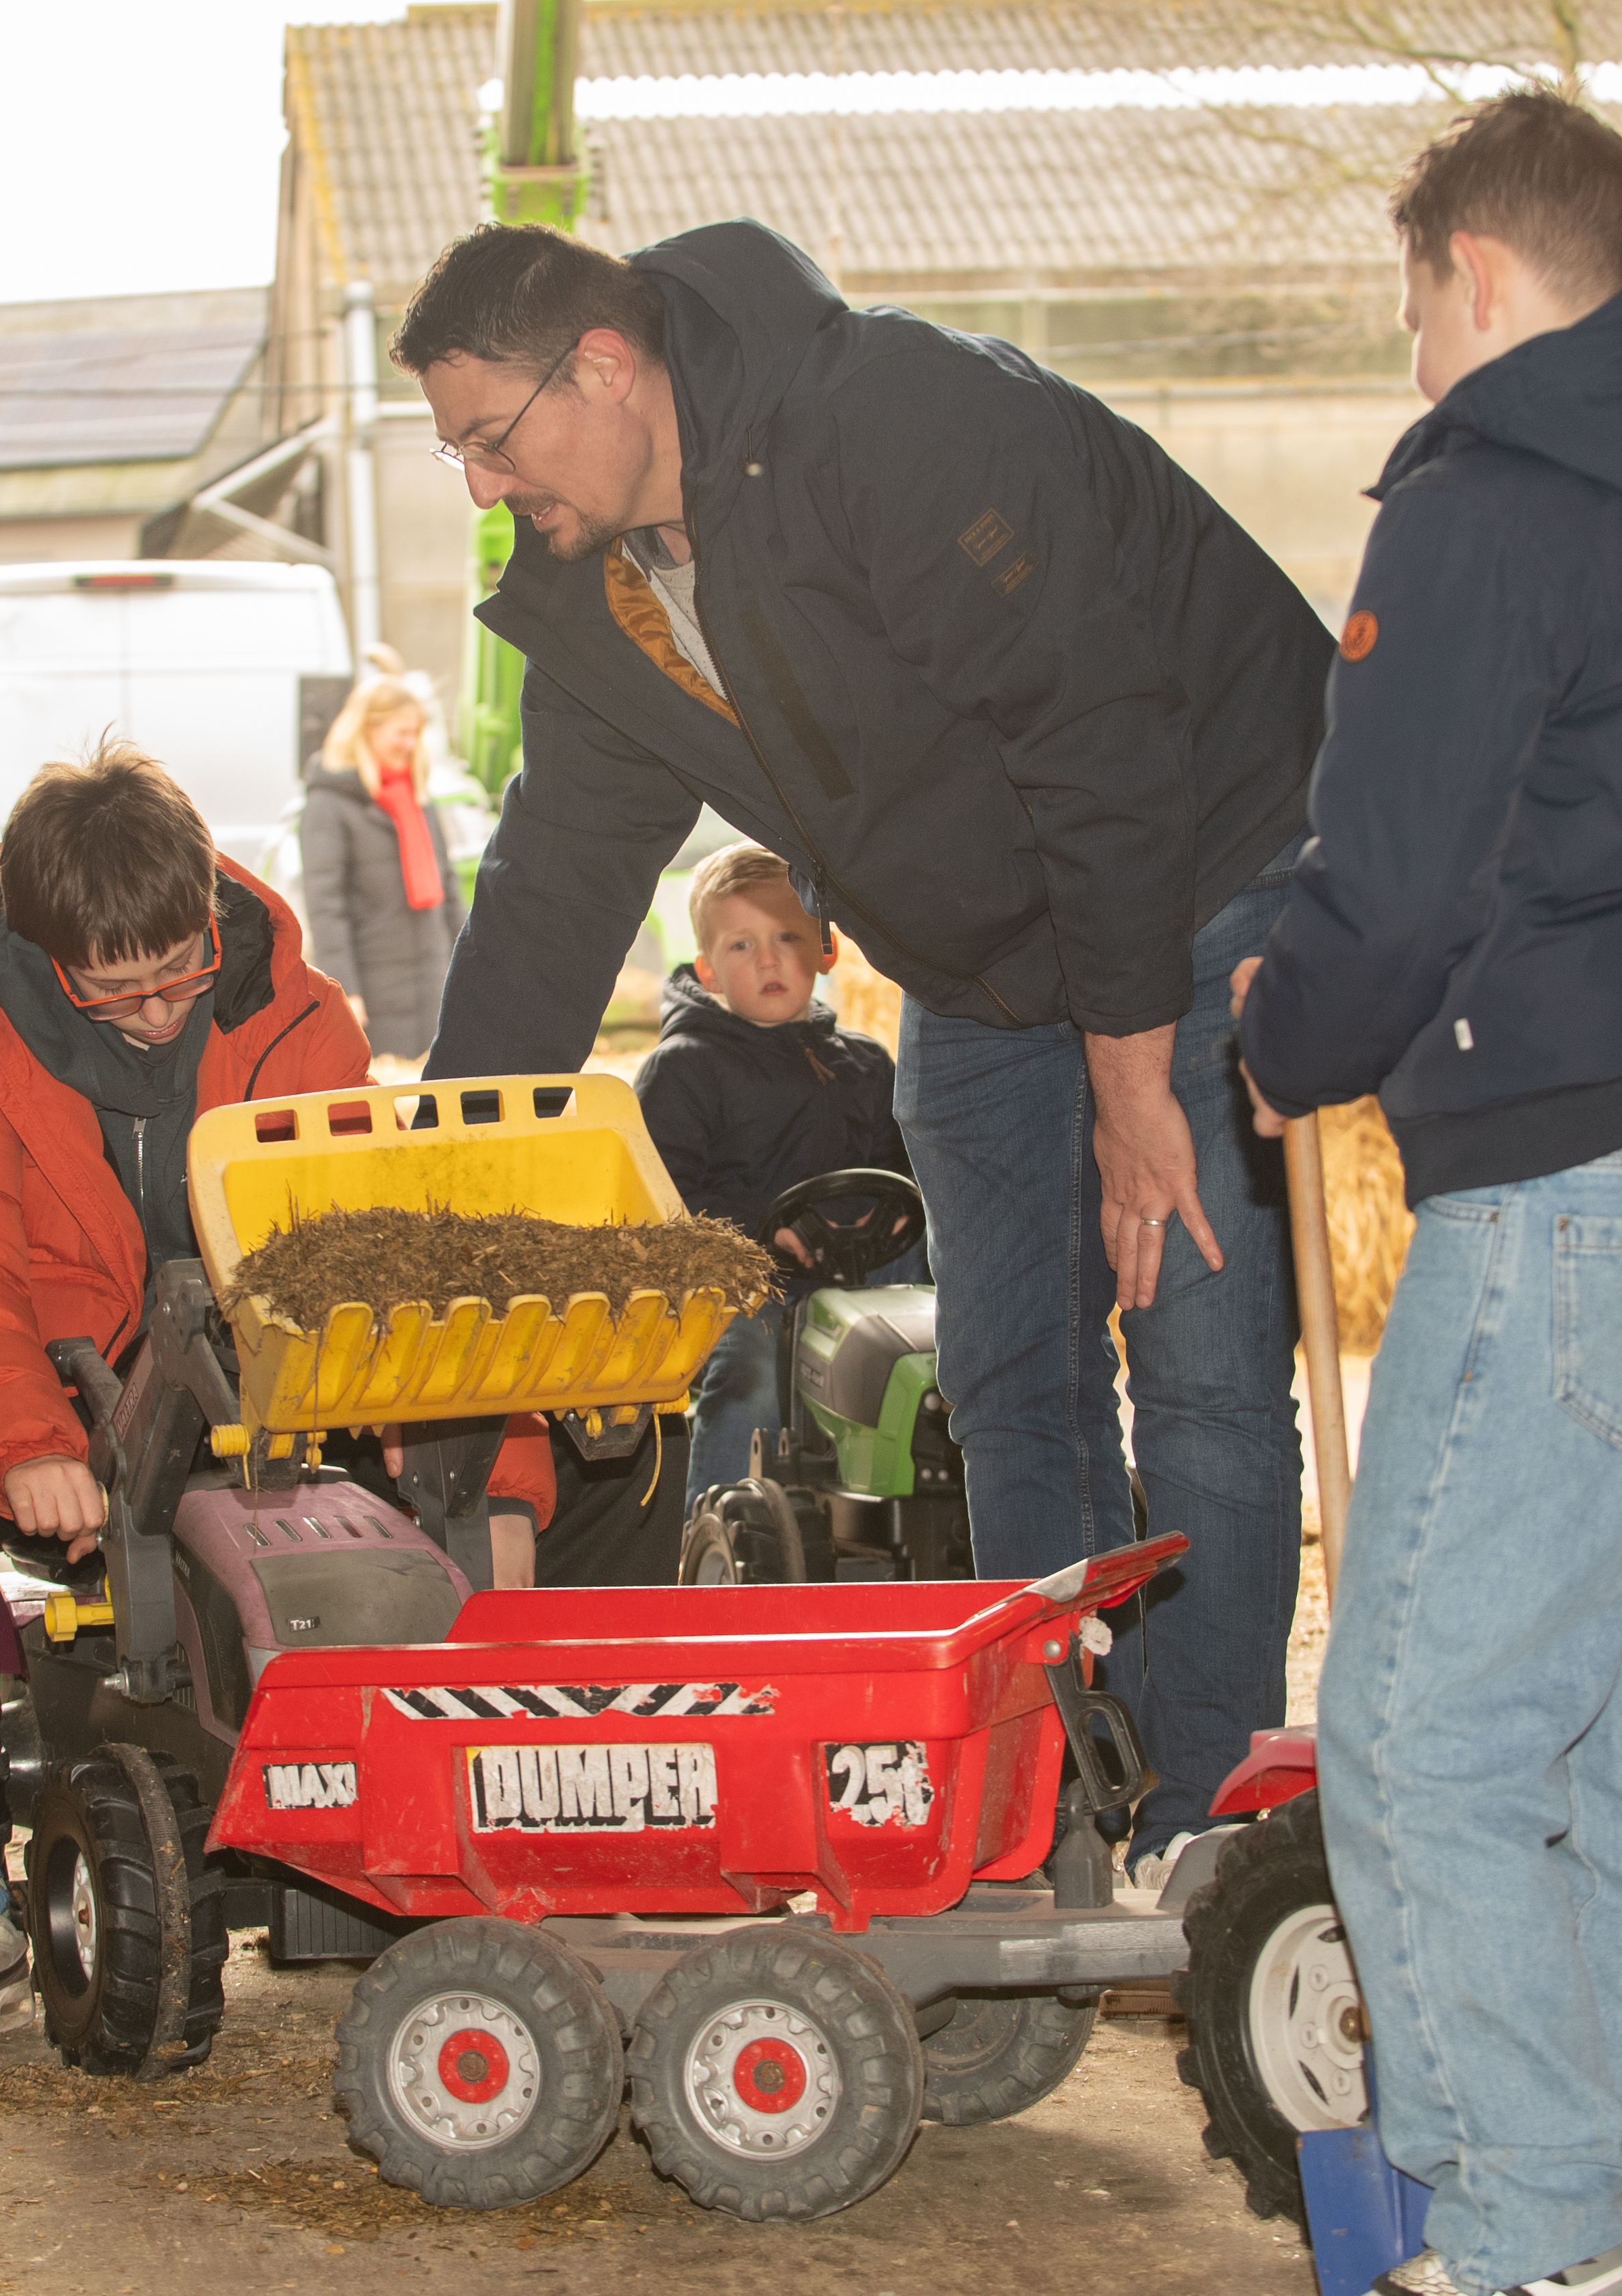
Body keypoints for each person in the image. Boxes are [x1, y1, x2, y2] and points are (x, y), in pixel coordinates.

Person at [393, 217, 1331, 1871]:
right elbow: (551, 899)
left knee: (1195, 1359)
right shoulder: (606, 591)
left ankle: (1198, 1824)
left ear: (601, 368)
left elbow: (1096, 731)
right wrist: (439, 1215)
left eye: (490, 437)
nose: (481, 487)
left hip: (1193, 862)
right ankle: (1050, 1797)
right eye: (456, 451)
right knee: (1006, 1372)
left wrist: (1131, 1073)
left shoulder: (894, 417)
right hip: (974, 946)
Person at [1231, 94, 1622, 2296]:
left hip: (1566, 1172)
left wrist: (1277, 1036)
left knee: (1420, 1730)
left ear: (1472, 282)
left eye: (1411, 313)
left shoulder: (1483, 501)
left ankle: (1520, 2245)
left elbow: (1393, 881)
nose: (1410, 365)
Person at [0, 739, 544, 2050]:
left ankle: (452, 1810)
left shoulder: (293, 1014)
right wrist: (25, 1437)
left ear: (209, 916)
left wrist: (503, 1486)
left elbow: (371, 1238)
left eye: (178, 978)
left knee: (534, 1454)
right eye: (119, 994)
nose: (157, 1015)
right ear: (45, 956)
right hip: (37, 1367)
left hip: (250, 1372)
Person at [635, 842, 910, 1510]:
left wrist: (900, 1215)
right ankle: (722, 1519)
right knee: (753, 1371)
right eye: (741, 945)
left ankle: (918, 1505)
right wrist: (762, 1234)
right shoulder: (686, 1066)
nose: (767, 959)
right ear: (707, 969)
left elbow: (897, 1166)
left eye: (787, 937)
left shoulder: (865, 1065)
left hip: (860, 1275)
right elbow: (667, 1196)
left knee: (927, 1344)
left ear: (826, 951)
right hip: (740, 1284)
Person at [295, 670, 465, 1060]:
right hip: (376, 990)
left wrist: (476, 965)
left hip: (435, 984)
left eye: (416, 733)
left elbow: (449, 890)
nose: (411, 743)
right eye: (401, 732)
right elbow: (326, 908)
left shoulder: (418, 797)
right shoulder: (328, 805)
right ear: (367, 729)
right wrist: (345, 994)